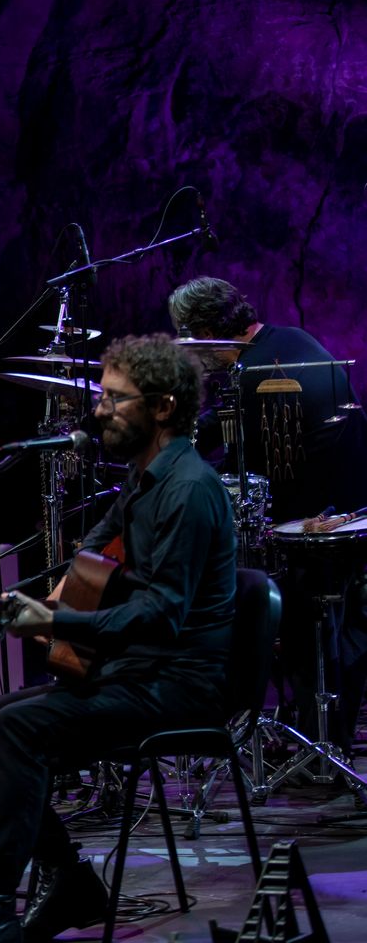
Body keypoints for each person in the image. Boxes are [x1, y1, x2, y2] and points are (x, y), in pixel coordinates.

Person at [0, 334, 236, 943]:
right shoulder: (144, 477)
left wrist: (57, 623)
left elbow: (163, 614)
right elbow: (97, 543)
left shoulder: (189, 489)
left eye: (114, 399)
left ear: (163, 407)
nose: (99, 410)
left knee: (20, 728)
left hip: (177, 685)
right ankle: (70, 878)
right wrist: (59, 594)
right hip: (131, 672)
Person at [170, 276, 367, 759]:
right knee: (337, 632)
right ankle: (321, 741)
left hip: (317, 524)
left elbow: (242, 463)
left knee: (295, 627)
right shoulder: (289, 340)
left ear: (206, 332)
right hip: (347, 512)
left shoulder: (255, 373)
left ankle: (317, 748)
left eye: (190, 339)